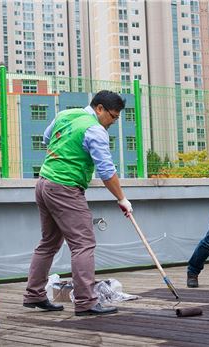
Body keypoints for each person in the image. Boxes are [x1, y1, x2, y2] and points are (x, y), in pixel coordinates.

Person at [23, 90, 133, 315]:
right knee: (83, 244)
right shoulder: (95, 130)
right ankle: (86, 301)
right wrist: (122, 198)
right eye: (112, 116)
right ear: (99, 108)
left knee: (49, 242)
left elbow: (47, 139)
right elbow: (106, 171)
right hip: (65, 188)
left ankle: (34, 294)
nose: (113, 122)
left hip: (44, 184)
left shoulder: (66, 114)